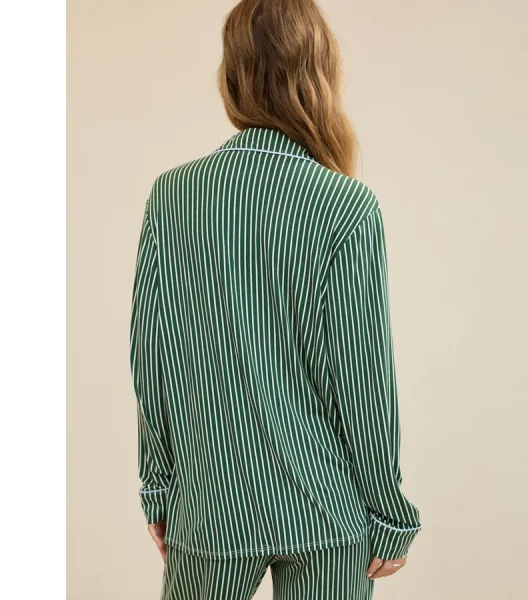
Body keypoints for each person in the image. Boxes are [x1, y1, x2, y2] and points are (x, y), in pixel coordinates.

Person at [129, 0, 422, 598]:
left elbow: (151, 358)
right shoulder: (346, 206)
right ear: (319, 72)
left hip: (209, 502)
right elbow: (363, 375)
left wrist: (158, 487)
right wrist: (389, 509)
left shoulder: (172, 198)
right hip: (326, 507)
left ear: (232, 74)